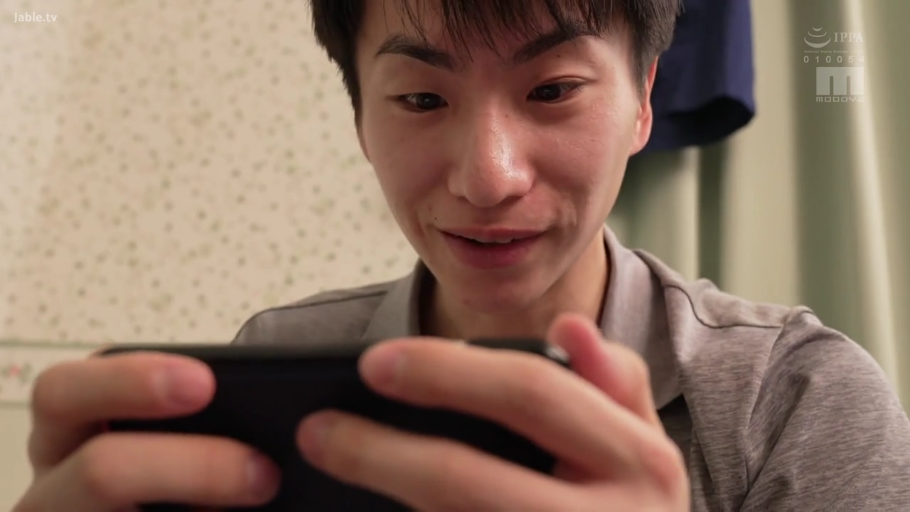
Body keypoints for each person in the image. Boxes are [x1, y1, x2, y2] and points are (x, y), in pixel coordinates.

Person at [14, 0, 910, 510]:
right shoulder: (277, 358)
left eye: (552, 90)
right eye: (420, 100)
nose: (488, 178)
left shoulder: (795, 398)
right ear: (359, 118)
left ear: (643, 100)